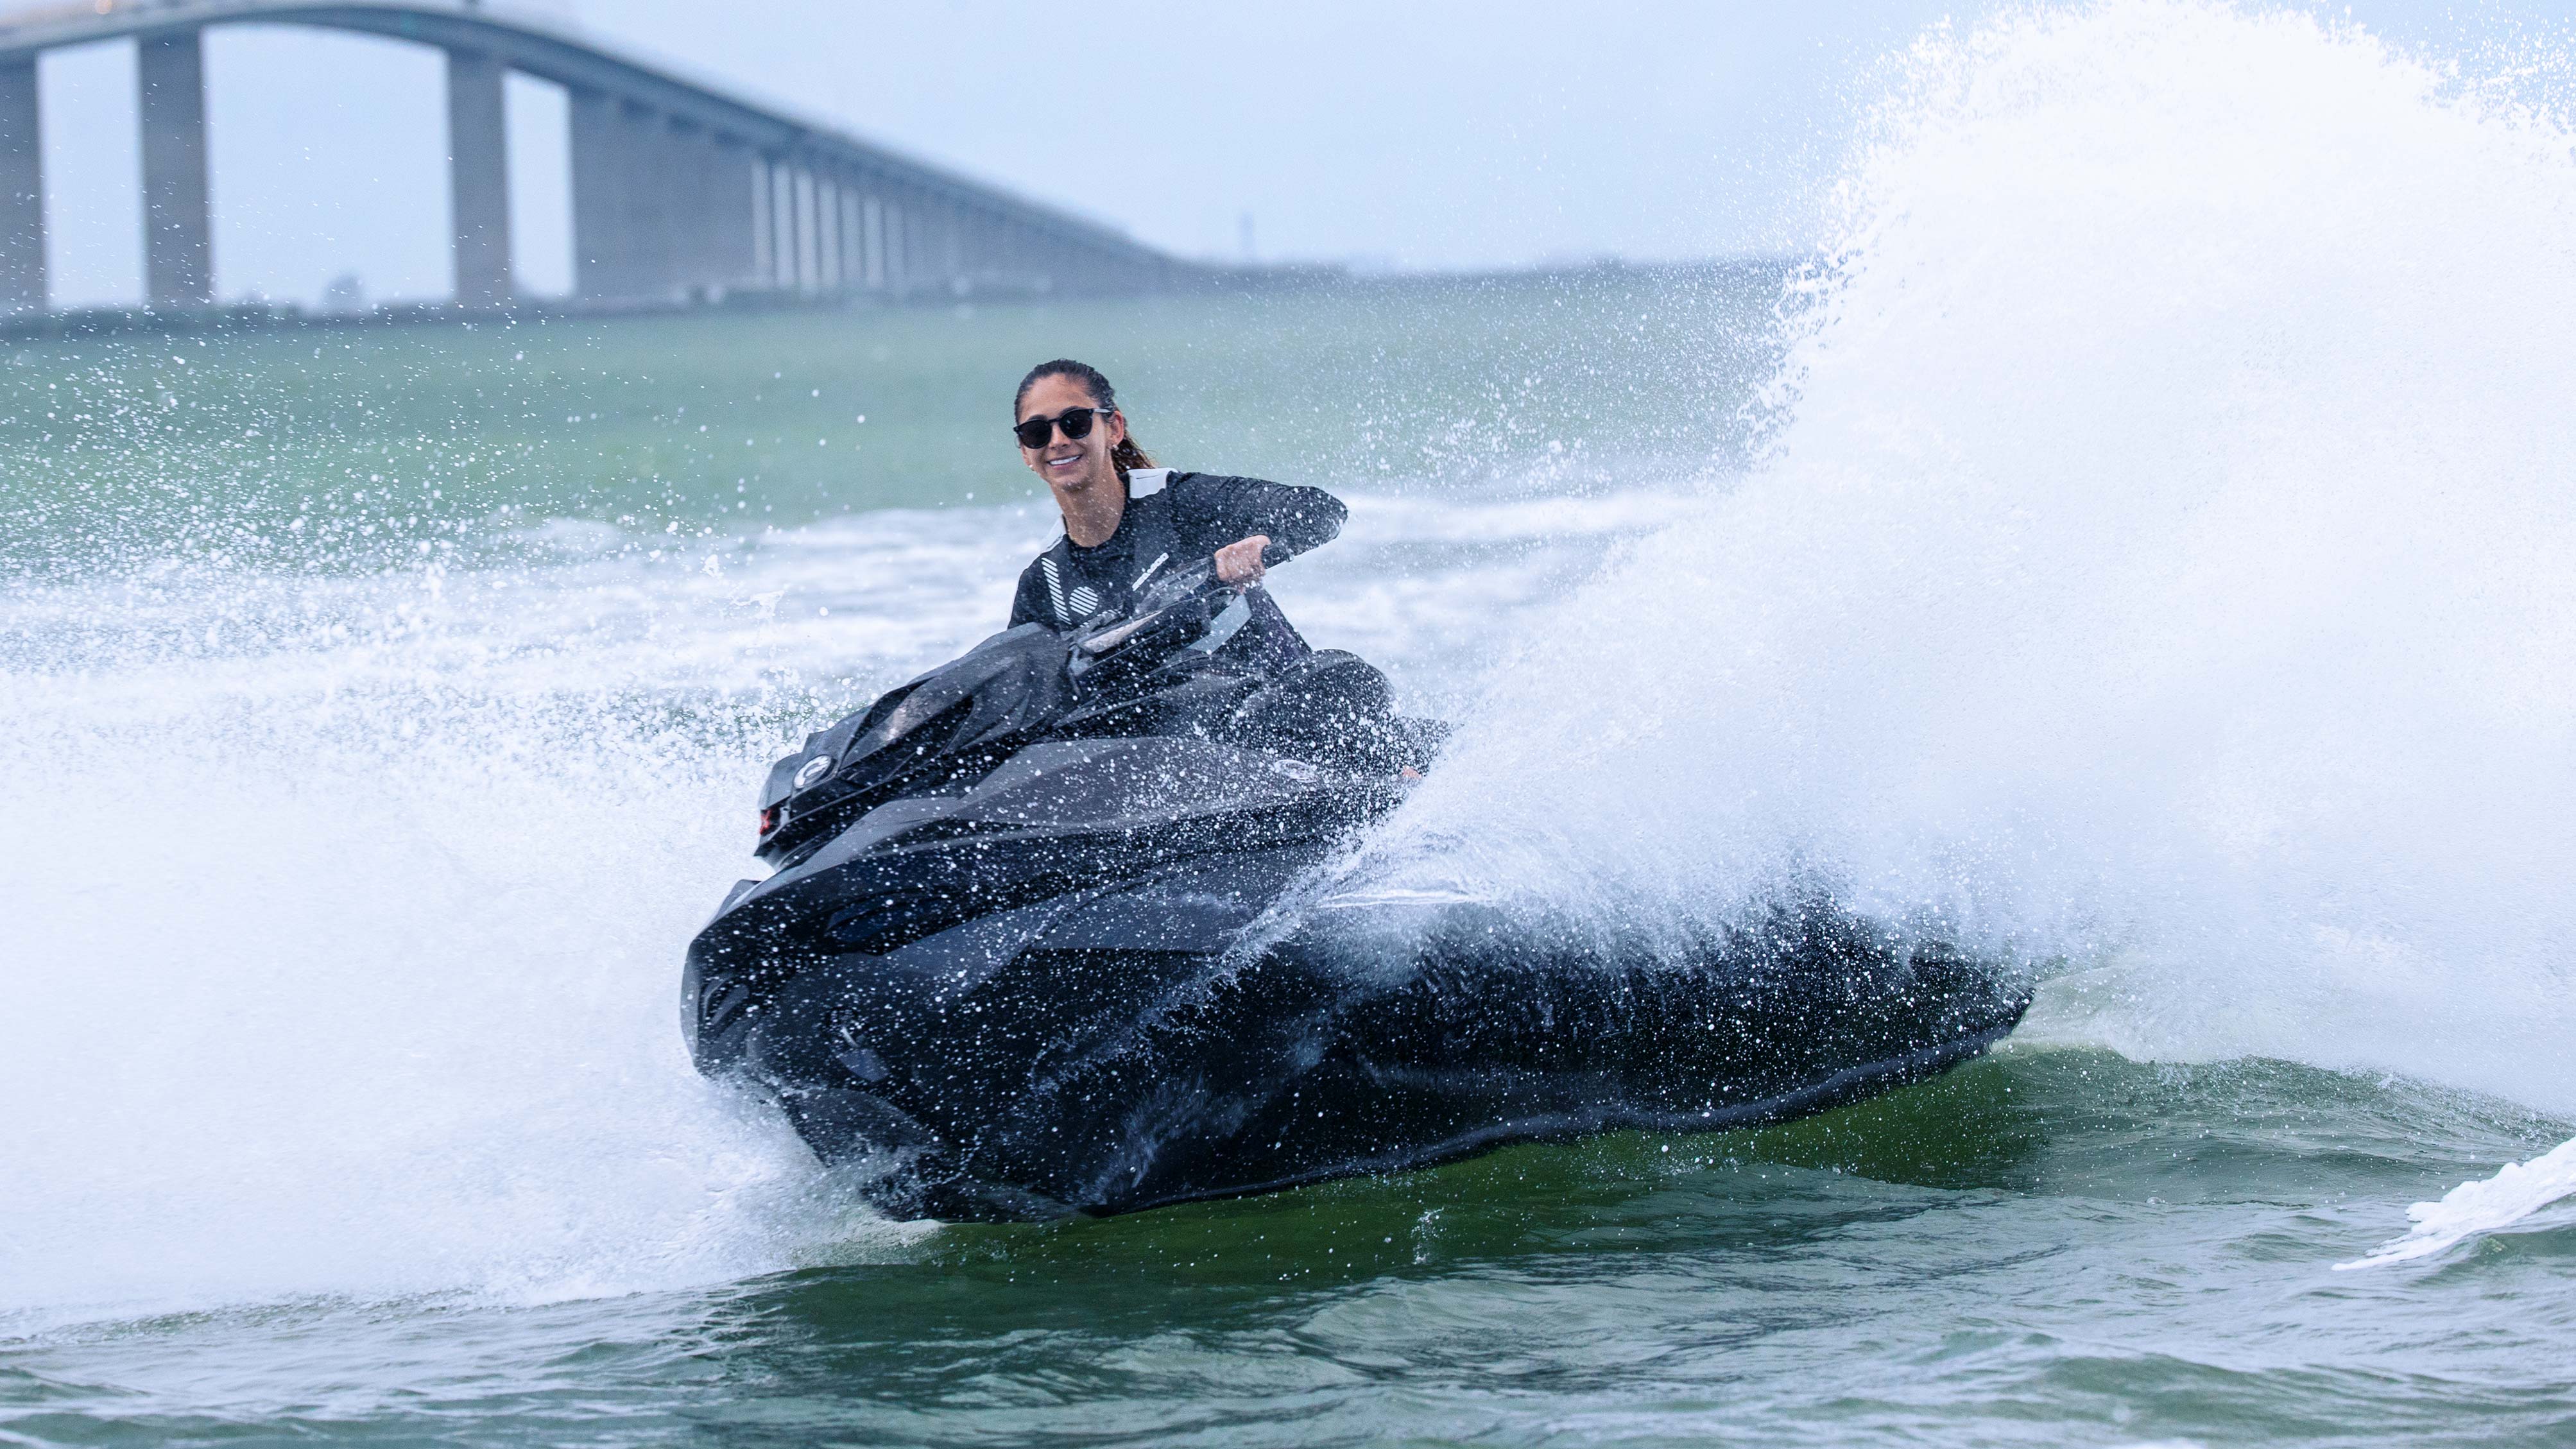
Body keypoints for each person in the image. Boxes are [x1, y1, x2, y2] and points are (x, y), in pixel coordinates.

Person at [1006, 359, 1344, 663]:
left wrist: (1258, 544)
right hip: (1166, 729)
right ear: (1025, 453)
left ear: (1114, 429)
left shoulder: (1182, 503)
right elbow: (1018, 692)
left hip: (1279, 702)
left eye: (1074, 422)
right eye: (1037, 432)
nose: (1057, 440)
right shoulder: (1044, 584)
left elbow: (1320, 510)